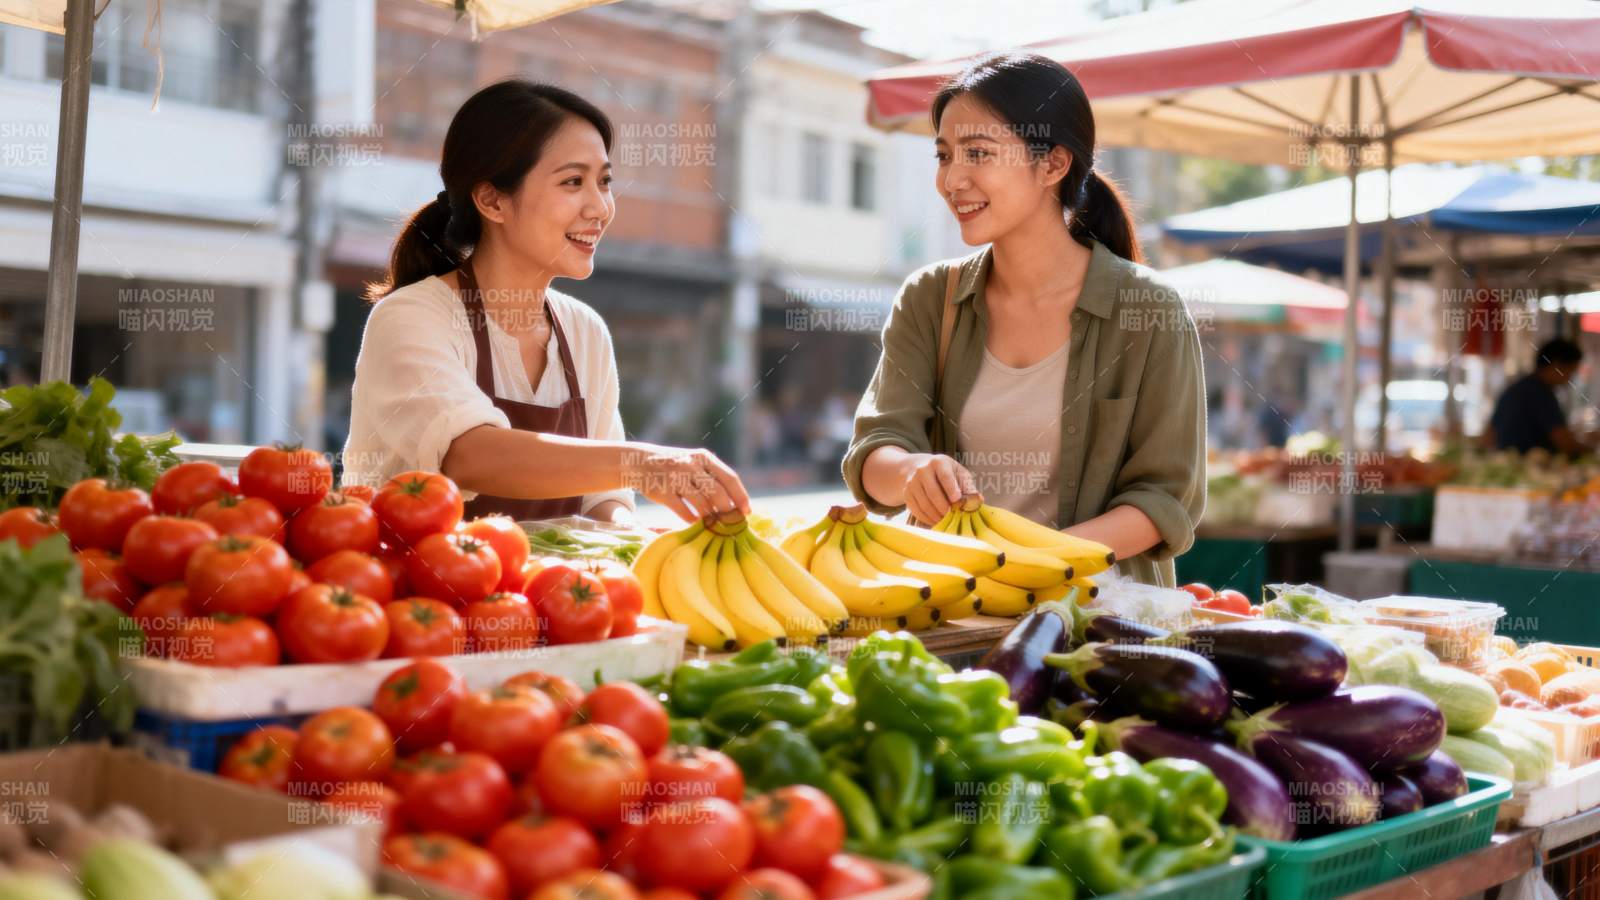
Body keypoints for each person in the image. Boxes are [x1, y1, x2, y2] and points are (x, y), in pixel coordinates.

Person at [842, 52, 1206, 587]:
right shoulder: (929, 298)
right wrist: (911, 472)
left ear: (1053, 165)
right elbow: (875, 453)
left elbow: (1164, 501)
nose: (952, 180)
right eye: (944, 155)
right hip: (950, 614)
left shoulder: (1149, 311)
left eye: (978, 153)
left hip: (1103, 629)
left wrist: (1027, 566)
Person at [343, 80, 749, 525]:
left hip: (552, 593)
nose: (600, 207)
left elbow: (603, 501)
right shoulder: (412, 319)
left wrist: (635, 539)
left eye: (605, 182)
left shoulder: (584, 331)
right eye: (573, 182)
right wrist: (644, 462)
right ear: (492, 200)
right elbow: (470, 456)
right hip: (423, 588)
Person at [1487, 338, 1591, 456]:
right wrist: (1591, 447)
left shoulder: (1515, 388)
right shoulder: (1541, 394)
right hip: (1531, 468)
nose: (1569, 378)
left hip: (1507, 463)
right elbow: (1565, 444)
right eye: (1570, 371)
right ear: (1557, 365)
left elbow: (1489, 436)